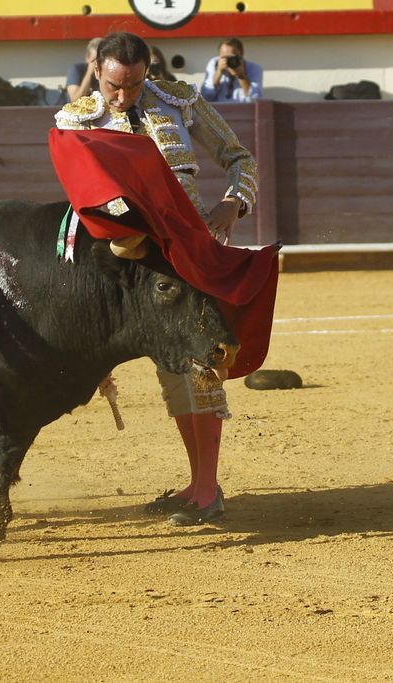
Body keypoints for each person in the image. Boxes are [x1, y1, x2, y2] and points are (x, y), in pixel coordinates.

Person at [53, 30, 258, 526]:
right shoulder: (73, 119)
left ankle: (205, 488)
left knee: (191, 364)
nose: (123, 97)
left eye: (135, 84)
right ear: (97, 69)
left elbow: (239, 158)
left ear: (149, 70)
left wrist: (233, 203)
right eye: (114, 86)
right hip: (116, 260)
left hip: (183, 253)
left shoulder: (180, 98)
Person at [200, 37, 261, 102]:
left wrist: (241, 75)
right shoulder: (215, 63)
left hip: (242, 110)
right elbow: (205, 97)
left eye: (233, 58)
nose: (230, 61)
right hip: (218, 110)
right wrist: (219, 72)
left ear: (241, 54)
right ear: (219, 56)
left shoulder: (254, 68)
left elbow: (255, 98)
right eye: (225, 57)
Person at [65, 37, 103, 101]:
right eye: (94, 60)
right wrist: (89, 73)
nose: (97, 65)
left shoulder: (106, 73)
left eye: (101, 61)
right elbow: (75, 100)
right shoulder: (76, 70)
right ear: (87, 58)